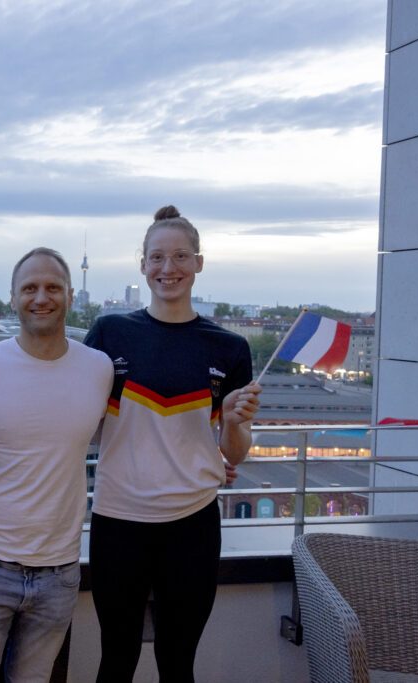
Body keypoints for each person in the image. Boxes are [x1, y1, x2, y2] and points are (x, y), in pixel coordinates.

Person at [84, 205, 262, 683]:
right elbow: (75, 415)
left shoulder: (229, 348)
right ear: (142, 264)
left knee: (178, 662)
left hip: (193, 525)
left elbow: (235, 452)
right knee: (116, 659)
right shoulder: (108, 333)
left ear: (199, 263)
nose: (169, 268)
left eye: (181, 256)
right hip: (119, 519)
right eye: (158, 257)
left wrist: (240, 423)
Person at [0, 247, 114, 683]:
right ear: (13, 296)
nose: (42, 297)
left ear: (71, 295)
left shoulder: (98, 369)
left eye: (52, 287)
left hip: (59, 573)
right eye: (30, 288)